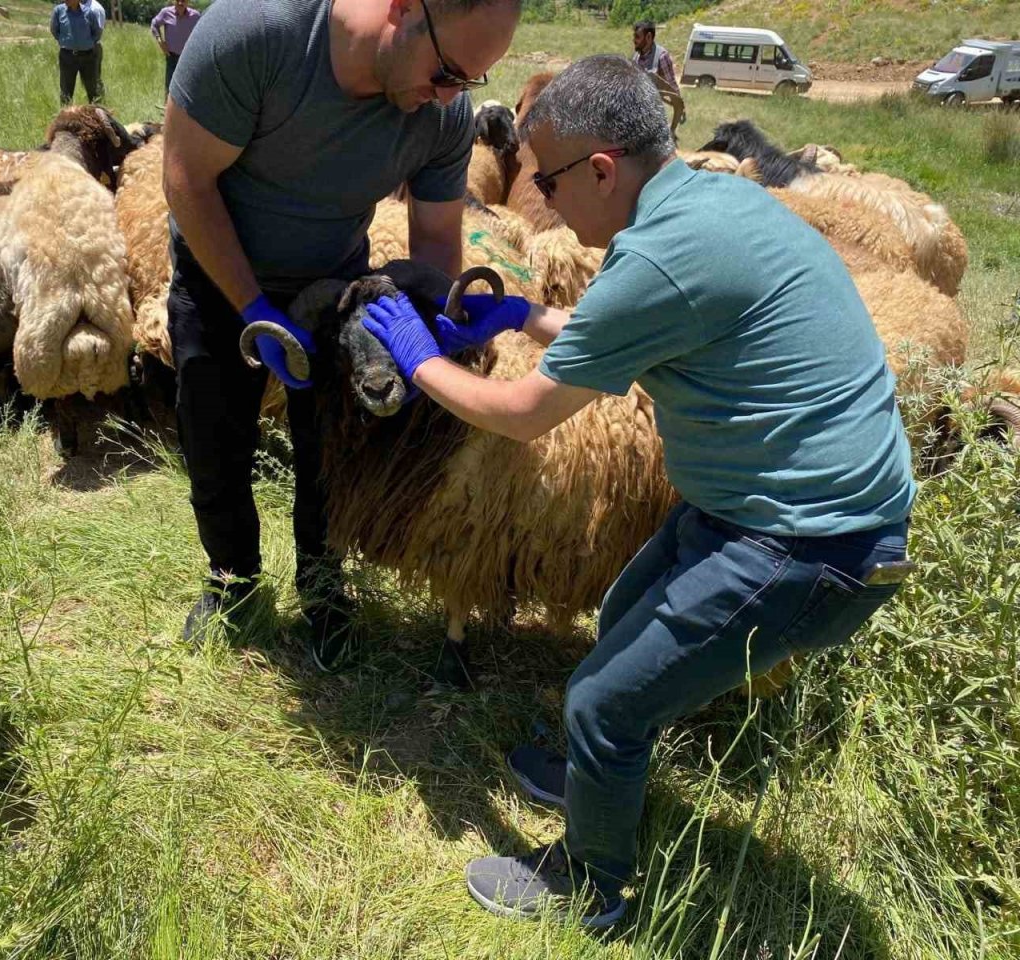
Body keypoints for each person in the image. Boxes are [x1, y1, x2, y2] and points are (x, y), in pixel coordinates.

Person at [360, 55, 916, 928]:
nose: (541, 193)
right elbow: (635, 325)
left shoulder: (659, 257)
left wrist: (418, 356)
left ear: (603, 170)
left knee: (605, 698)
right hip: (769, 505)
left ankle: (593, 886)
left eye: (547, 177)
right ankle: (597, 777)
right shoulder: (715, 205)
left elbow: (519, 414)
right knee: (621, 616)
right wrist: (522, 315)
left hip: (814, 544)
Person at [161, 0, 520, 669]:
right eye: (445, 72)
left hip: (335, 292)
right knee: (216, 444)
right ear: (403, 10)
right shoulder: (257, 36)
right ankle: (232, 580)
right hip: (220, 279)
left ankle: (324, 588)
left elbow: (437, 235)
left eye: (466, 84)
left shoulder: (439, 112)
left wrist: (437, 325)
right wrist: (253, 307)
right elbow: (186, 178)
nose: (446, 98)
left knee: (331, 450)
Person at [51, 0, 103, 105]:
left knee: (93, 91)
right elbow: (54, 30)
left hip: (88, 57)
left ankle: (96, 117)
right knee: (66, 93)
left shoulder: (89, 13)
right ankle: (66, 118)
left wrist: (87, 44)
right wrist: (65, 41)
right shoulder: (58, 11)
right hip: (67, 57)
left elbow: (97, 32)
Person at [150, 0, 200, 100]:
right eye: (178, 0)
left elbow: (203, 30)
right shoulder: (166, 13)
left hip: (187, 57)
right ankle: (167, 110)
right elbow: (154, 24)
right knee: (169, 85)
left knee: (186, 86)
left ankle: (182, 112)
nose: (180, 3)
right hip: (171, 56)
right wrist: (160, 42)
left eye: (184, 1)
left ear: (188, 2)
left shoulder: (195, 16)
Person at [631, 18, 677, 92]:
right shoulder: (636, 58)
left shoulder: (661, 57)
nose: (634, 40)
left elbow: (672, 90)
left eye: (637, 37)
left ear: (648, 37)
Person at [86, 0, 107, 102]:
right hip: (86, 46)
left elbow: (98, 31)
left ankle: (98, 103)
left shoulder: (95, 8)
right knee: (91, 78)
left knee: (94, 79)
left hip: (92, 47)